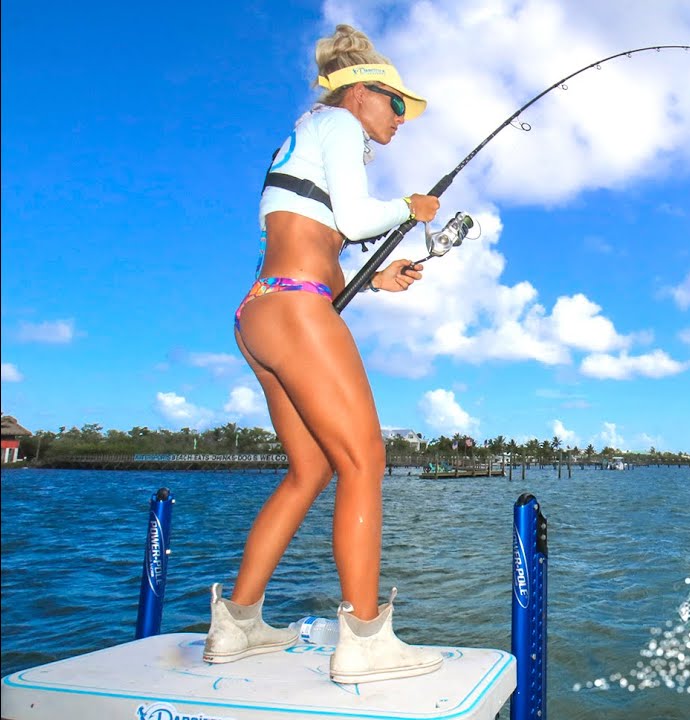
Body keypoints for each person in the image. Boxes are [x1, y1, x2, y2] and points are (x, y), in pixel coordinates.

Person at [202, 24, 443, 685]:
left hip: (262, 312)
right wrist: (411, 208)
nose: (401, 120)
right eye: (396, 104)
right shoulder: (338, 127)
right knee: (366, 460)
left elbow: (314, 243)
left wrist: (381, 277)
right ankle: (365, 638)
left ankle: (239, 623)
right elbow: (362, 217)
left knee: (309, 470)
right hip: (295, 309)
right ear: (362, 92)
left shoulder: (305, 137)